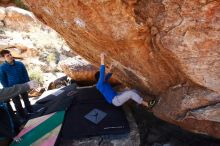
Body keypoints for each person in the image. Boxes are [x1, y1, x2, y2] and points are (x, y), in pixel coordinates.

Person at [0, 49, 33, 120]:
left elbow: (25, 74)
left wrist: (28, 83)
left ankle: (31, 112)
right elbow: (3, 80)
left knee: (26, 100)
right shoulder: (2, 68)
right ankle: (22, 117)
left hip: (23, 86)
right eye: (7, 56)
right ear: (3, 58)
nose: (10, 56)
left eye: (10, 54)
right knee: (17, 103)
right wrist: (8, 89)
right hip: (13, 89)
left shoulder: (20, 64)